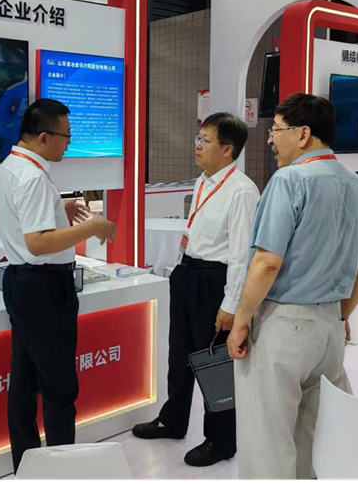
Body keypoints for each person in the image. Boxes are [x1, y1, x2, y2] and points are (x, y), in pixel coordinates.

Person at [227, 93, 358, 480]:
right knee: (312, 436)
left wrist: (241, 320)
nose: (270, 139)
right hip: (329, 328)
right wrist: (342, 315)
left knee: (267, 440)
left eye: (276, 130)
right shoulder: (356, 185)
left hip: (283, 326)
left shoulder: (289, 180)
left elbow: (267, 262)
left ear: (303, 134)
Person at [0, 98, 118, 471]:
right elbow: (38, 242)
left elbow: (26, 223)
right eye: (66, 137)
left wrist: (57, 211)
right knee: (59, 386)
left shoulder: (14, 166)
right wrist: (92, 227)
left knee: (25, 380)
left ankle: (29, 465)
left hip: (23, 283)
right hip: (43, 287)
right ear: (44, 137)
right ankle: (61, 469)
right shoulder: (32, 177)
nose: (69, 143)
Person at [132, 113, 259, 467]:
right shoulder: (204, 181)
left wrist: (231, 303)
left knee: (213, 362)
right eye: (197, 138)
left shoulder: (242, 191)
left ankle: (221, 440)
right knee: (179, 354)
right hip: (187, 273)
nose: (198, 145)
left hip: (214, 281)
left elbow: (241, 255)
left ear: (227, 149)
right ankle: (173, 419)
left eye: (205, 140)